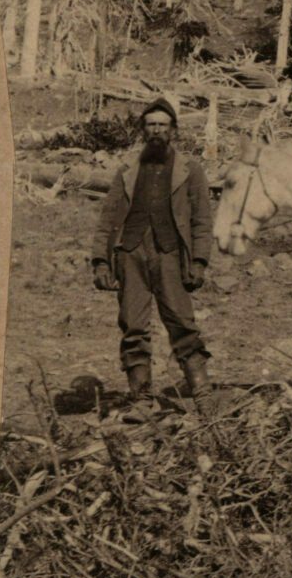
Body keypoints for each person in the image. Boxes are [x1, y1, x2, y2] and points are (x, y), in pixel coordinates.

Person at [92, 99, 214, 399]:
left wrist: (198, 261)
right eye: (151, 125)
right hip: (130, 255)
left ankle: (202, 393)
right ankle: (141, 399)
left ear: (173, 130)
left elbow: (202, 220)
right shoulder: (126, 170)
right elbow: (107, 218)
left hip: (171, 255)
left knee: (182, 323)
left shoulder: (191, 170)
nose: (156, 130)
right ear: (142, 130)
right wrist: (101, 261)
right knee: (133, 326)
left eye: (162, 125)